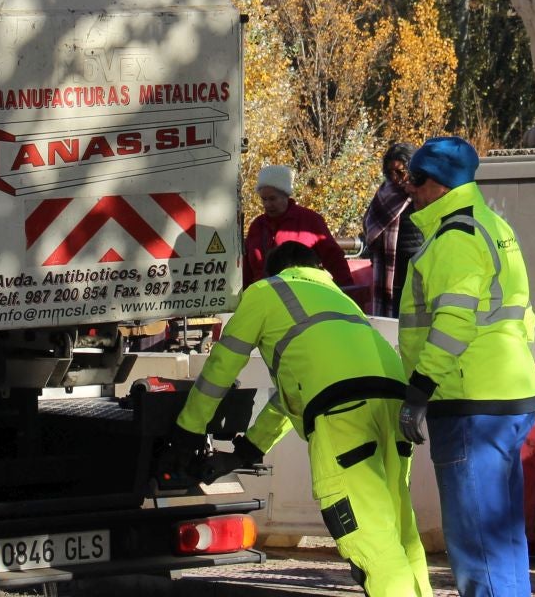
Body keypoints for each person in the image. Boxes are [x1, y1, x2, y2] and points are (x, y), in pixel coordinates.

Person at [168, 242, 431, 597]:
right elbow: (290, 398)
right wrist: (245, 452)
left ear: (273, 271)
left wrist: (189, 429)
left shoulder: (266, 291)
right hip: (393, 406)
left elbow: (221, 368)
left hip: (343, 416)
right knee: (401, 533)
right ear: (316, 267)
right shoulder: (339, 299)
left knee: (371, 541)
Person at [395, 137, 535, 597]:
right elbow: (524, 316)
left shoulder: (455, 238)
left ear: (438, 184)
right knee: (503, 537)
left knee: (477, 541)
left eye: (415, 180)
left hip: (468, 399)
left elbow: (453, 324)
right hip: (508, 392)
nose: (410, 190)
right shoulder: (494, 225)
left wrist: (419, 390)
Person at [242, 164, 353, 290]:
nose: (267, 204)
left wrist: (347, 289)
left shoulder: (310, 221)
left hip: (301, 296)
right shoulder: (257, 226)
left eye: (272, 199)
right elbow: (246, 269)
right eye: (264, 199)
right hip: (263, 297)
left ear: (285, 195)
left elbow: (334, 258)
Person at [361, 142, 423, 316]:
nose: (395, 178)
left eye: (400, 172)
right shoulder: (385, 193)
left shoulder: (422, 193)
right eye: (390, 172)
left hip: (416, 268)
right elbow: (370, 225)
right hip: (389, 271)